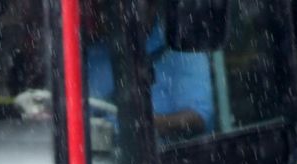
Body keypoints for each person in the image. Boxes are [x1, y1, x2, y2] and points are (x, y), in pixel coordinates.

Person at [84, 0, 215, 139]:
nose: (122, 12)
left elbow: (198, 118)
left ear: (152, 6)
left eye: (130, 4)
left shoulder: (180, 49)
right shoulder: (92, 54)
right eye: (115, 5)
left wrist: (139, 124)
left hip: (155, 156)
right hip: (91, 156)